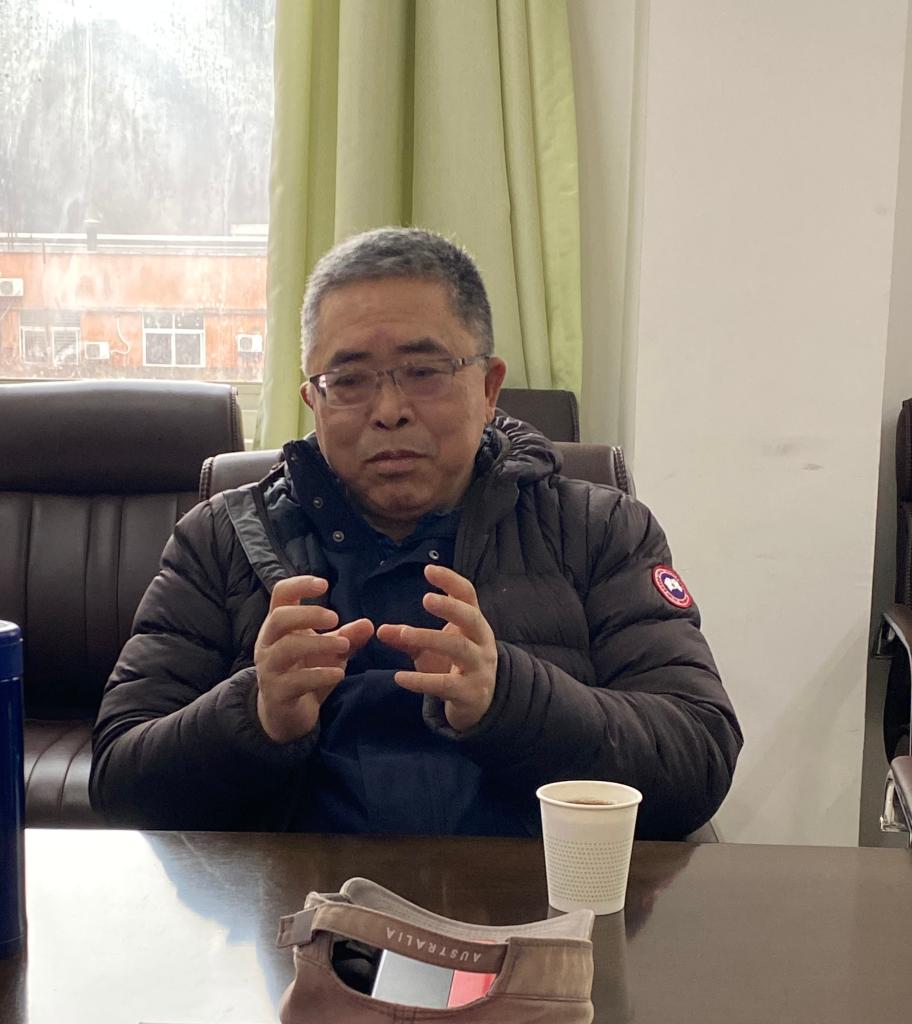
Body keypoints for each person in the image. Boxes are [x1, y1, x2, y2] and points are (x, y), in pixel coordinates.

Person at [90, 227, 742, 839]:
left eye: (425, 372)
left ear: (489, 388)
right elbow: (120, 781)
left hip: (534, 906)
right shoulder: (223, 538)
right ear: (313, 400)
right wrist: (256, 715)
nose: (390, 411)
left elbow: (698, 754)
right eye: (349, 380)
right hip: (294, 910)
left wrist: (508, 698)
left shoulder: (600, 530)